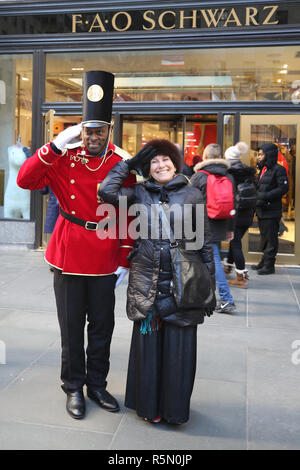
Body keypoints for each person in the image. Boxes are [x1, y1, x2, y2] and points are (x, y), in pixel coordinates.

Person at [17, 71, 135, 420]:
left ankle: (97, 385)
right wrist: (54, 145)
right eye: (88, 130)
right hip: (69, 251)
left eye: (100, 130)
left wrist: (125, 257)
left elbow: (128, 210)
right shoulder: (63, 157)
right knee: (71, 325)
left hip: (105, 250)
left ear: (109, 131)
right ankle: (73, 387)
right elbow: (26, 180)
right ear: (79, 130)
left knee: (102, 325)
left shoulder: (120, 163)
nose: (94, 136)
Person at [99, 139, 215, 425]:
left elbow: (204, 242)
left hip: (183, 283)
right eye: (154, 161)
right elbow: (106, 191)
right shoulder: (138, 193)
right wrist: (128, 163)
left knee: (178, 350)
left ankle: (174, 411)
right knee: (148, 349)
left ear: (175, 164)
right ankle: (149, 407)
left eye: (166, 160)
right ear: (147, 168)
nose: (161, 165)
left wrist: (208, 287)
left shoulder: (191, 194)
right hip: (147, 279)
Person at [191, 143, 236, 314]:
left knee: (212, 261)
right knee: (206, 260)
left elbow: (189, 203)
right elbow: (234, 204)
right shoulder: (229, 176)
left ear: (206, 156)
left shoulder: (199, 176)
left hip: (200, 226)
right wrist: (230, 228)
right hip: (220, 225)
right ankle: (200, 294)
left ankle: (226, 298)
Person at [251, 143, 289, 274]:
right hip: (262, 210)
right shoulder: (263, 169)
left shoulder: (279, 169)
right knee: (265, 238)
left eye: (261, 154)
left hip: (271, 210)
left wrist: (265, 196)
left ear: (269, 155)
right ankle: (264, 261)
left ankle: (269, 266)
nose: (259, 157)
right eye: (259, 154)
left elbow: (284, 188)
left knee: (271, 239)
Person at [223, 142, 256, 288]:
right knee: (234, 241)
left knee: (235, 243)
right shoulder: (249, 173)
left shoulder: (229, 174)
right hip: (248, 214)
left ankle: (241, 277)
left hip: (235, 214)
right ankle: (229, 266)